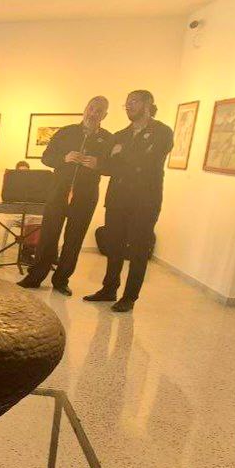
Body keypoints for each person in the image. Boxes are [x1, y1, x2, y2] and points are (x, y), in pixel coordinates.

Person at [84, 90, 173, 313]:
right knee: (114, 246)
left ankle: (129, 297)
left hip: (145, 200)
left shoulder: (162, 132)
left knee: (139, 250)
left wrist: (120, 156)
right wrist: (107, 161)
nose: (129, 106)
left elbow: (148, 162)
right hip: (117, 198)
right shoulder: (120, 135)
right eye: (127, 103)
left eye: (134, 101)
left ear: (147, 104)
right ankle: (109, 289)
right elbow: (107, 166)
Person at [18, 96, 112, 296]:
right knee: (48, 235)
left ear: (105, 115)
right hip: (58, 191)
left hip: (86, 195)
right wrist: (64, 158)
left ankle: (61, 280)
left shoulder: (108, 139)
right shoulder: (66, 132)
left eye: (99, 110)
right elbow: (46, 158)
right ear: (85, 108)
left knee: (74, 239)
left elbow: (113, 167)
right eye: (91, 108)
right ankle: (35, 277)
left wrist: (99, 165)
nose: (93, 113)